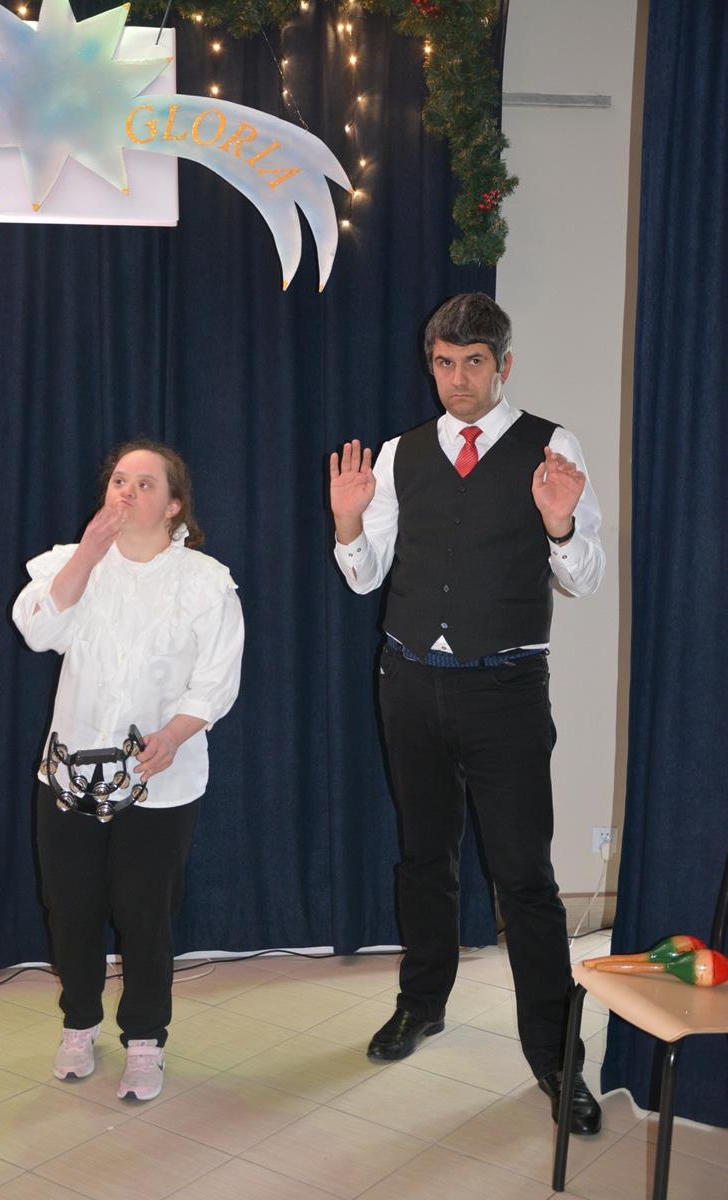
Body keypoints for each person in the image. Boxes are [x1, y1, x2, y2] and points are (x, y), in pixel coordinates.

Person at [330, 293, 605, 1135]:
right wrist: (348, 520)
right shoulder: (401, 453)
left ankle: (555, 1057)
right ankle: (423, 1003)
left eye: (474, 363)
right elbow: (365, 577)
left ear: (504, 364)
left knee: (524, 878)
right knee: (424, 857)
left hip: (506, 689)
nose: (458, 379)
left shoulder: (552, 446)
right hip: (410, 681)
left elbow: (585, 576)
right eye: (444, 364)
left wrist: (560, 523)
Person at [13, 439, 243, 1101]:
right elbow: (37, 630)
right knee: (70, 906)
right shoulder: (73, 563)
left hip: (159, 779)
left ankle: (145, 1040)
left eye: (145, 484)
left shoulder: (205, 581)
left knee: (145, 912)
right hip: (68, 778)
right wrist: (87, 553)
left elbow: (217, 680)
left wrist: (175, 734)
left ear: (174, 505)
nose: (127, 492)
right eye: (119, 481)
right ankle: (79, 1024)